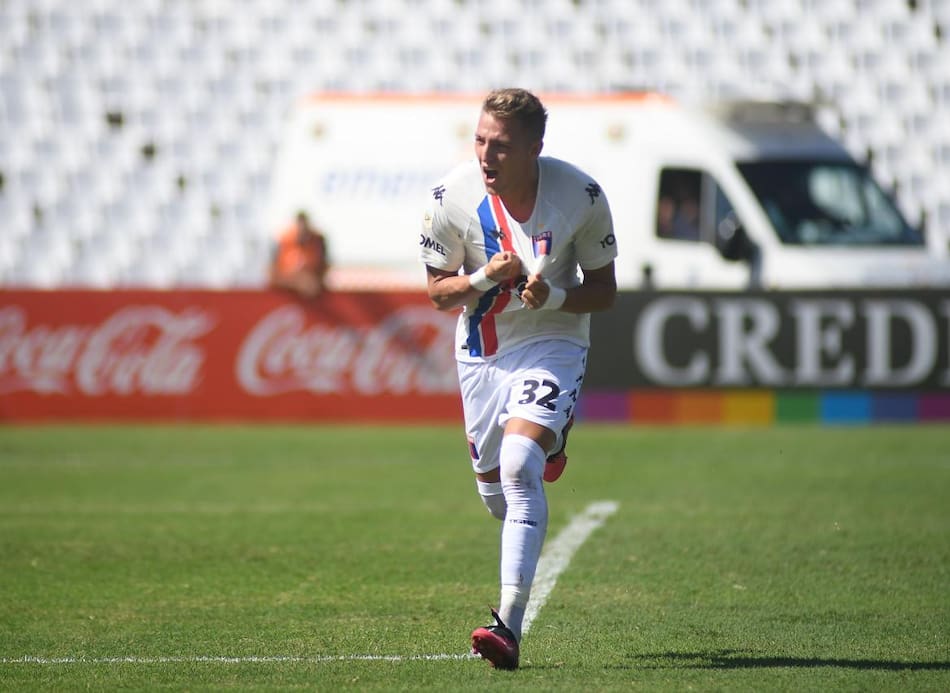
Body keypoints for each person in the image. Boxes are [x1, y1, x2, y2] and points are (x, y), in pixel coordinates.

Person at [418, 88, 618, 670]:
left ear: (534, 148)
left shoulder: (580, 195)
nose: (486, 155)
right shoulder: (448, 198)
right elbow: (438, 293)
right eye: (480, 140)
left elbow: (605, 291)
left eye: (501, 146)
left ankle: (507, 625)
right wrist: (485, 277)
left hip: (554, 341)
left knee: (519, 465)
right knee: (496, 498)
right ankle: (548, 441)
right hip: (482, 353)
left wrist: (552, 295)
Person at [268, 211, 329, 299]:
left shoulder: (318, 242)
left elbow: (323, 272)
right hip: (283, 297)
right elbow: (271, 274)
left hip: (313, 297)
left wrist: (310, 281)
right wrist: (296, 282)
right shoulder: (282, 240)